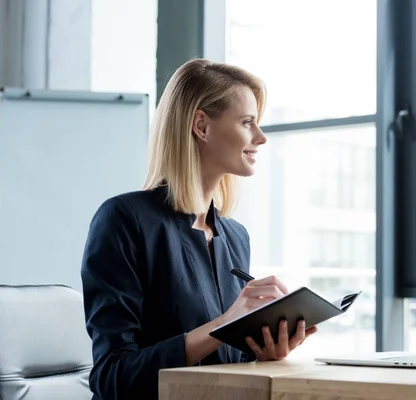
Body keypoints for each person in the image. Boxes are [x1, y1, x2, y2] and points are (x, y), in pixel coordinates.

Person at [80, 58, 317, 400]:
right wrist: (226, 325)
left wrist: (261, 354)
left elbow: (222, 365)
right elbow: (113, 377)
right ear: (202, 126)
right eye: (247, 122)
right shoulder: (124, 219)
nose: (261, 138)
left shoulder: (235, 237)